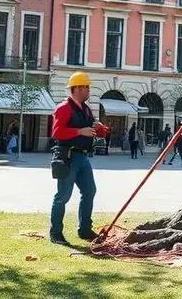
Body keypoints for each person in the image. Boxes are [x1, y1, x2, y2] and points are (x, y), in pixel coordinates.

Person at [49, 71, 100, 246]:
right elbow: (56, 133)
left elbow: (92, 128)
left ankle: (84, 229)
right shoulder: (63, 108)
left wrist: (98, 128)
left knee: (89, 191)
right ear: (76, 88)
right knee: (63, 196)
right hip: (68, 156)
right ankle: (55, 233)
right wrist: (79, 131)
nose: (88, 90)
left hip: (83, 157)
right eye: (86, 87)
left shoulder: (86, 109)